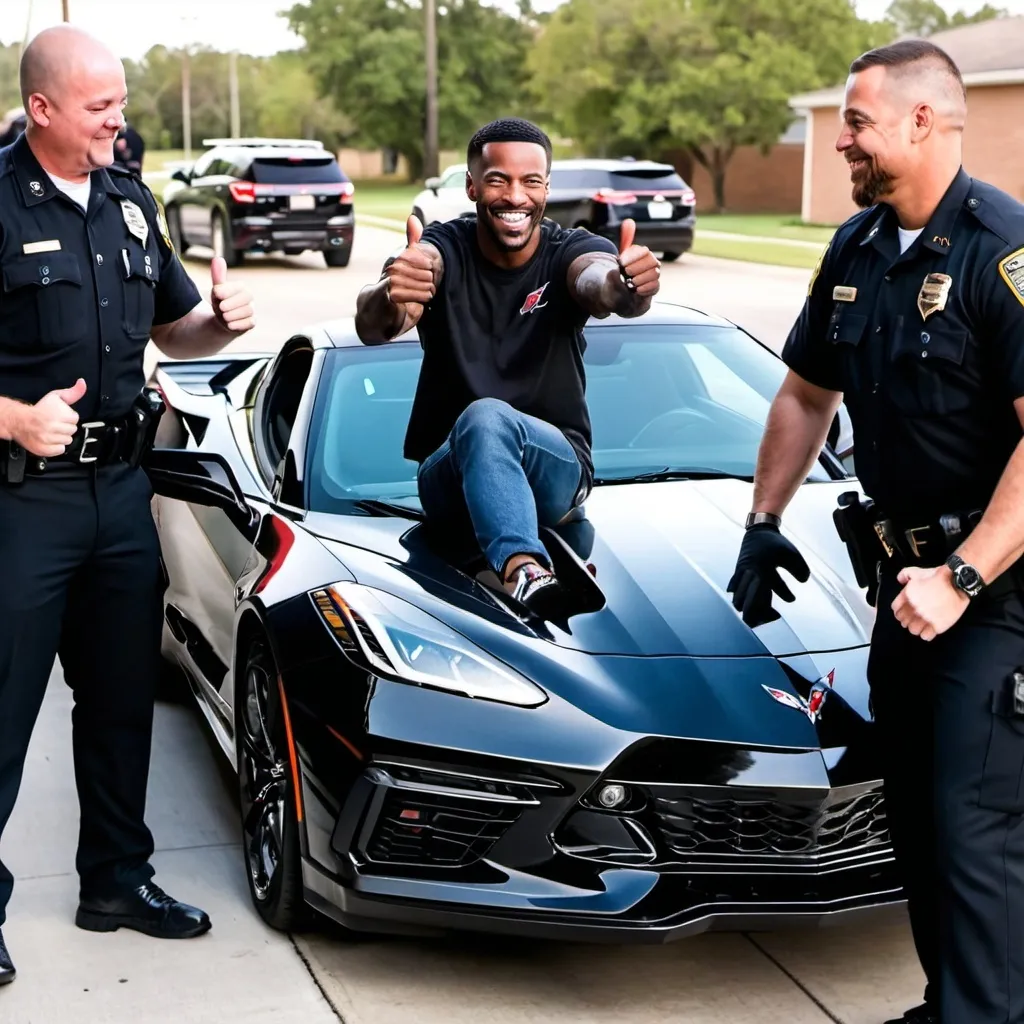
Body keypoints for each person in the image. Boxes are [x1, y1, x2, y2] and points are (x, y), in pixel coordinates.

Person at [727, 39, 1024, 1024]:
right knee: (917, 825)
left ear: (920, 122)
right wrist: (762, 519)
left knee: (973, 832)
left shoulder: (1000, 250)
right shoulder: (857, 249)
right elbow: (803, 395)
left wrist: (965, 578)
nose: (841, 139)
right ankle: (952, 1002)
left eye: (854, 121)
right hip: (901, 595)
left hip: (994, 599)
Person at [0, 25, 255, 986]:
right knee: (5, 711)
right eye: (102, 105)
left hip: (121, 496)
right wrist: (14, 419)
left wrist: (214, 325)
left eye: (120, 102)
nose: (121, 119)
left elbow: (172, 332)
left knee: (118, 708)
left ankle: (115, 881)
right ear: (44, 109)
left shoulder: (129, 201)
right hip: (22, 505)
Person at [354, 118, 661, 614]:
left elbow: (598, 284)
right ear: (473, 186)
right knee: (484, 417)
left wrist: (624, 287)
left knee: (490, 416)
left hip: (555, 474)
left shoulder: (571, 251)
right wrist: (393, 293)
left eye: (531, 181)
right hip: (448, 483)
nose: (515, 196)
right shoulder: (443, 248)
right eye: (498, 180)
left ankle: (499, 567)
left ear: (546, 188)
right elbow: (383, 320)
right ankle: (524, 572)